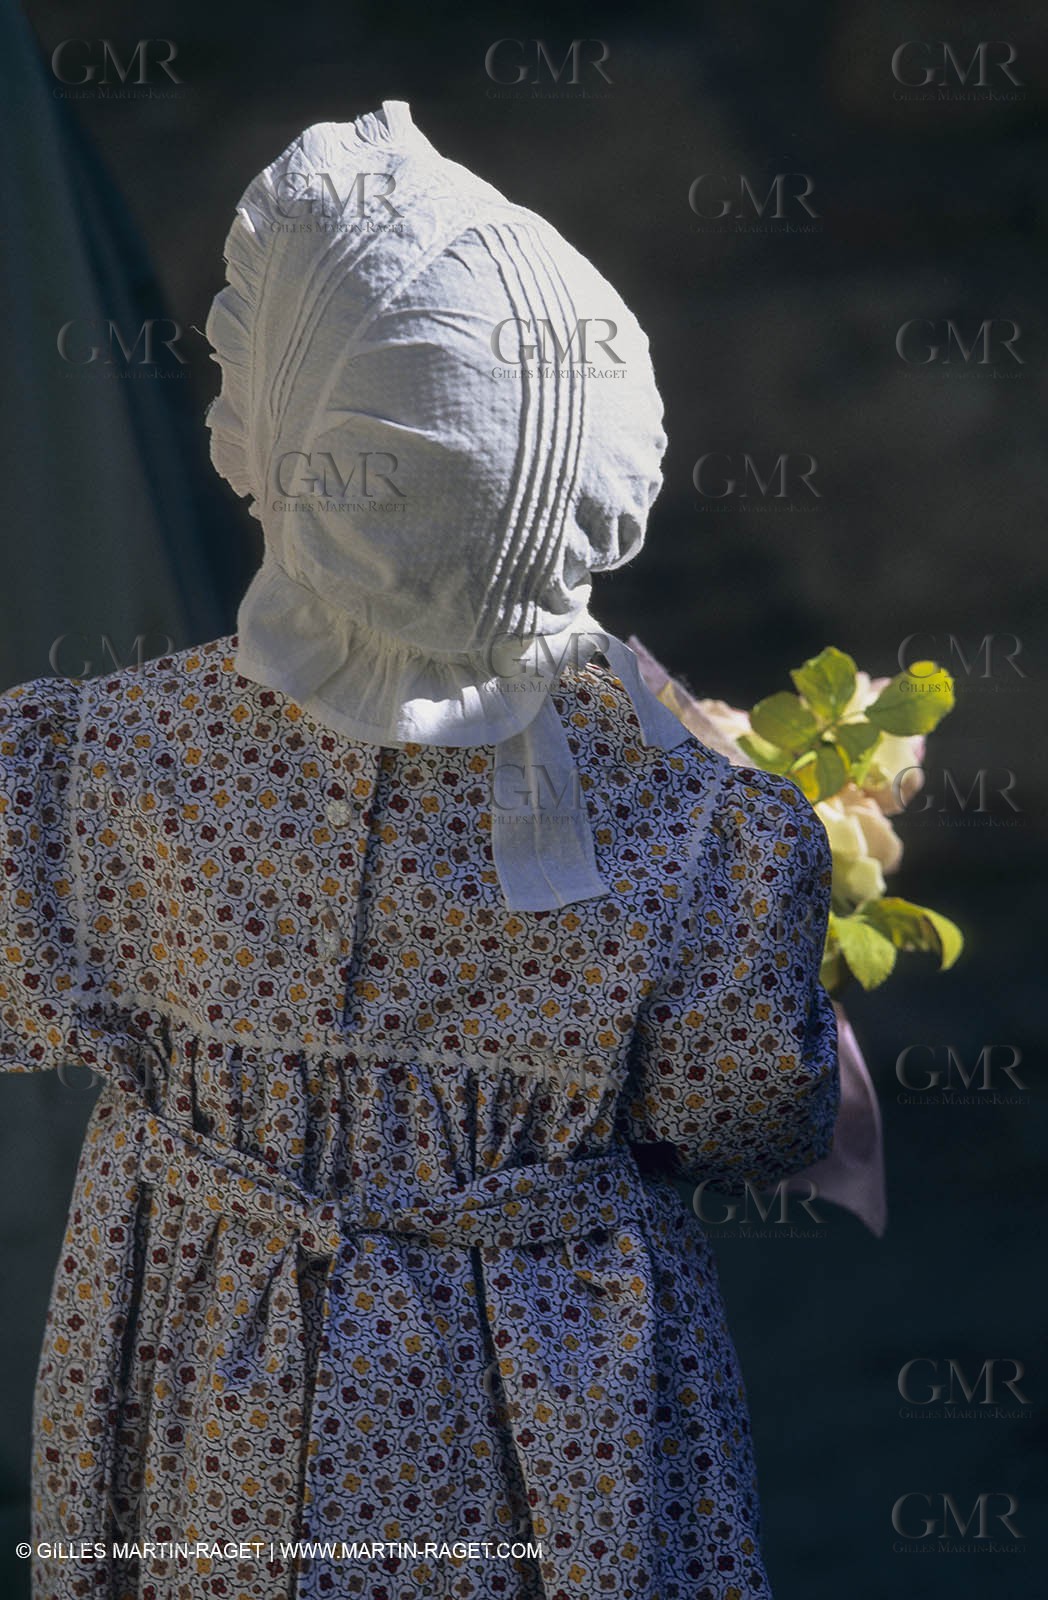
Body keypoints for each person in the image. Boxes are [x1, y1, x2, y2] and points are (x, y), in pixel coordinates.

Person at [0, 100, 839, 1600]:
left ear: (278, 433)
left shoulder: (83, 769)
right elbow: (752, 1120)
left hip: (207, 1380)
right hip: (549, 1419)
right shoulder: (713, 823)